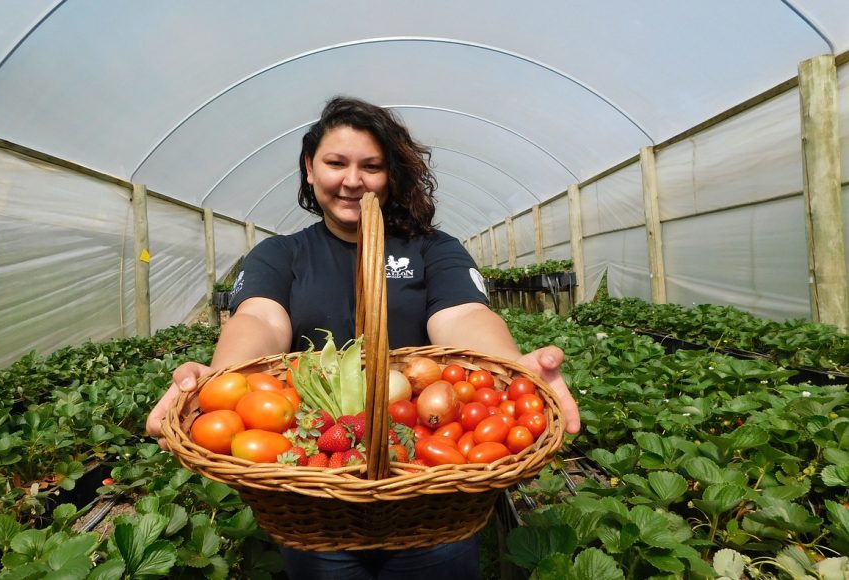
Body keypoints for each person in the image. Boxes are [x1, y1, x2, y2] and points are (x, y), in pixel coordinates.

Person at [146, 95, 581, 580]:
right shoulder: (281, 254)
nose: (353, 180)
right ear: (310, 168)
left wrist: (513, 366)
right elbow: (260, 321)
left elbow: (463, 316)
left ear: (390, 174)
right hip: (316, 493)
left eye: (371, 166)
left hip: (428, 486)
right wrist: (220, 380)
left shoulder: (433, 249)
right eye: (336, 163)